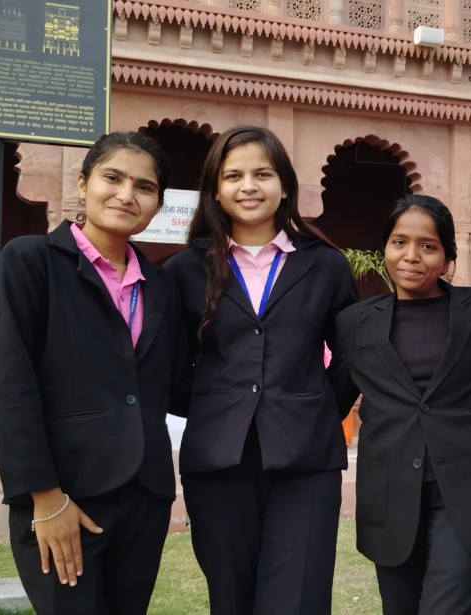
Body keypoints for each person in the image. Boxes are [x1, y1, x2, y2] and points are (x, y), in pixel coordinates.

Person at [0, 131, 189, 614]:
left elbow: (176, 385)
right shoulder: (31, 262)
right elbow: (8, 384)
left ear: (158, 204)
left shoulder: (160, 286)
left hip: (144, 496)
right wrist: (44, 495)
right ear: (83, 184)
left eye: (144, 187)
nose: (126, 195)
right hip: (63, 494)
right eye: (112, 178)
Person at [162, 125, 359, 615]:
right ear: (214, 190)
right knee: (231, 598)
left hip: (306, 459)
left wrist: (315, 404)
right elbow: (169, 367)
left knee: (299, 599)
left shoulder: (326, 265)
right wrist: (214, 404)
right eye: (233, 176)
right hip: (218, 459)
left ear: (285, 185)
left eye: (262, 174)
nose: (248, 186)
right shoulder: (183, 270)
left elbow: (352, 354)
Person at [337, 195, 471, 615]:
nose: (411, 256)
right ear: (385, 247)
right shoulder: (355, 323)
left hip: (469, 494)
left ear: (448, 256)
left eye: (428, 246)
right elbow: (336, 396)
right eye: (399, 242)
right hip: (389, 495)